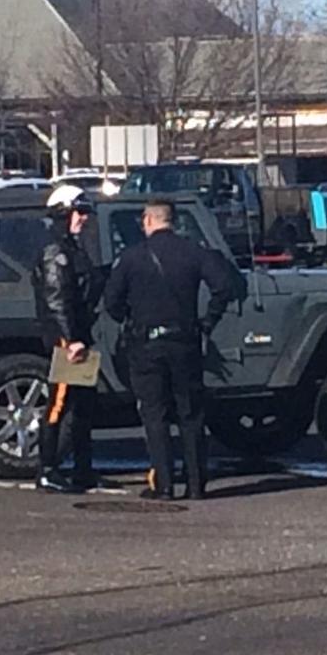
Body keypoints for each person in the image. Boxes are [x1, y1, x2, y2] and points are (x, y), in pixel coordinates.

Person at [103, 199, 237, 501]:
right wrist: (207, 322)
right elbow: (224, 286)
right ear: (172, 221)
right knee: (190, 414)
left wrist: (128, 317)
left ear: (148, 220)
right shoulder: (194, 252)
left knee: (154, 414)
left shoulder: (132, 257)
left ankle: (163, 485)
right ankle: (196, 484)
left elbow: (111, 300)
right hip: (185, 341)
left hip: (146, 343)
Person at [32, 184, 108, 494]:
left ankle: (83, 469)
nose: (84, 219)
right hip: (68, 340)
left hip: (80, 334)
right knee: (59, 404)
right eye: (79, 212)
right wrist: (70, 338)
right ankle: (47, 469)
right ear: (63, 213)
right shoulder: (55, 252)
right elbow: (57, 299)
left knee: (84, 405)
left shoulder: (71, 249)